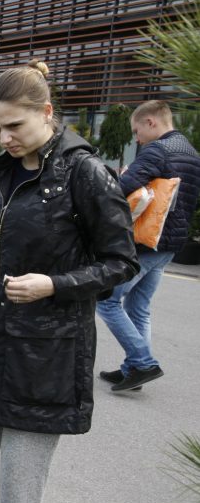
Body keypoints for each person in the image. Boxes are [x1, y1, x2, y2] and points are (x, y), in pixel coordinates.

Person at [0, 60, 138, 503]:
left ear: (47, 114)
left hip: (48, 350)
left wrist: (55, 284)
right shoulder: (4, 172)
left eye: (15, 126)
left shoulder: (86, 173)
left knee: (22, 474)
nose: (5, 137)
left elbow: (121, 262)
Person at [96, 100, 200, 392]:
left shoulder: (158, 150)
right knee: (138, 307)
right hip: (170, 243)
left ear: (151, 122)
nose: (136, 138)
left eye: (137, 131)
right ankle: (134, 370)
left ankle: (143, 363)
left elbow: (122, 187)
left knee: (106, 301)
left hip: (145, 241)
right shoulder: (191, 152)